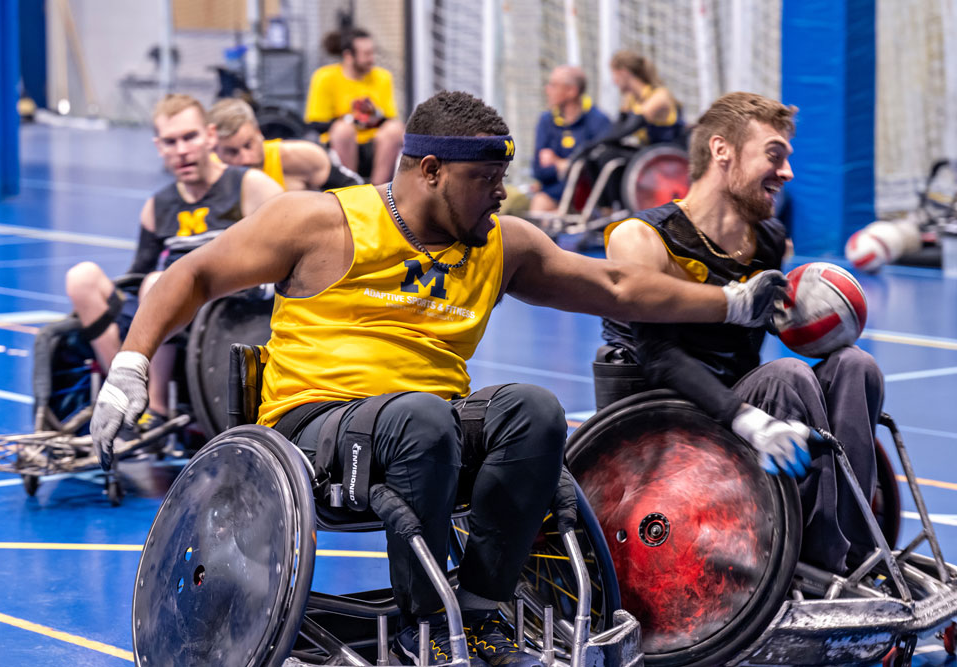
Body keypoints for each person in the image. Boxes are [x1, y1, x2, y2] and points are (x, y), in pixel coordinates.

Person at [90, 91, 788, 665]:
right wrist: (130, 364)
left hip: (428, 427)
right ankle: (424, 621)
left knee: (533, 410)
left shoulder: (500, 245)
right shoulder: (323, 221)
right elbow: (193, 274)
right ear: (429, 170)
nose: (500, 195)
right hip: (317, 429)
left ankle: (482, 610)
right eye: (485, 182)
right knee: (420, 417)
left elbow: (615, 285)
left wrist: (728, 302)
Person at [599, 91, 883, 575]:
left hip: (735, 408)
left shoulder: (768, 240)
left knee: (857, 365)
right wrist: (747, 418)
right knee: (788, 377)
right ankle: (814, 563)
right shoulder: (641, 237)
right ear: (721, 150)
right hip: (660, 425)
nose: (787, 172)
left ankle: (859, 555)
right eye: (774, 154)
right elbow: (658, 358)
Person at [65, 93, 282, 427]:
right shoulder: (157, 206)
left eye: (189, 137)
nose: (181, 150)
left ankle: (157, 409)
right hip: (161, 310)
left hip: (223, 308)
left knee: (159, 282)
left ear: (210, 136)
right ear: (159, 147)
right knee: (83, 277)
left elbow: (286, 254)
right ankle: (124, 395)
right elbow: (136, 275)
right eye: (170, 141)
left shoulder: (249, 186)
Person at [303, 27, 404, 185]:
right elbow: (315, 123)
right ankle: (350, 189)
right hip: (340, 143)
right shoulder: (325, 77)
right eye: (366, 54)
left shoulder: (383, 77)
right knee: (343, 130)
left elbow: (389, 119)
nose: (372, 58)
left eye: (372, 52)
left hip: (375, 144)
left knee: (395, 129)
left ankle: (379, 191)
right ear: (348, 56)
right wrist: (352, 119)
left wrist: (372, 116)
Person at [208, 97, 363, 191]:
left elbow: (355, 190)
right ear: (215, 150)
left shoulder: (297, 156)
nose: (245, 159)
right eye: (231, 152)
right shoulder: (207, 177)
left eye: (248, 145)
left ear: (258, 133)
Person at [530, 65, 611, 213]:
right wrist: (569, 166)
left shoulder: (599, 121)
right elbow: (538, 170)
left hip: (591, 200)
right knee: (539, 204)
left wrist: (560, 163)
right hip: (555, 194)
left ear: (571, 91)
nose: (547, 90)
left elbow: (597, 169)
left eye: (553, 85)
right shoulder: (546, 121)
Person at [609, 50, 684, 146]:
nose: (613, 81)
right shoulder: (630, 99)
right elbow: (617, 128)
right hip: (648, 150)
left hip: (667, 153)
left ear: (624, 73)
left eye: (614, 75)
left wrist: (596, 143)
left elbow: (631, 127)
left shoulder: (660, 95)